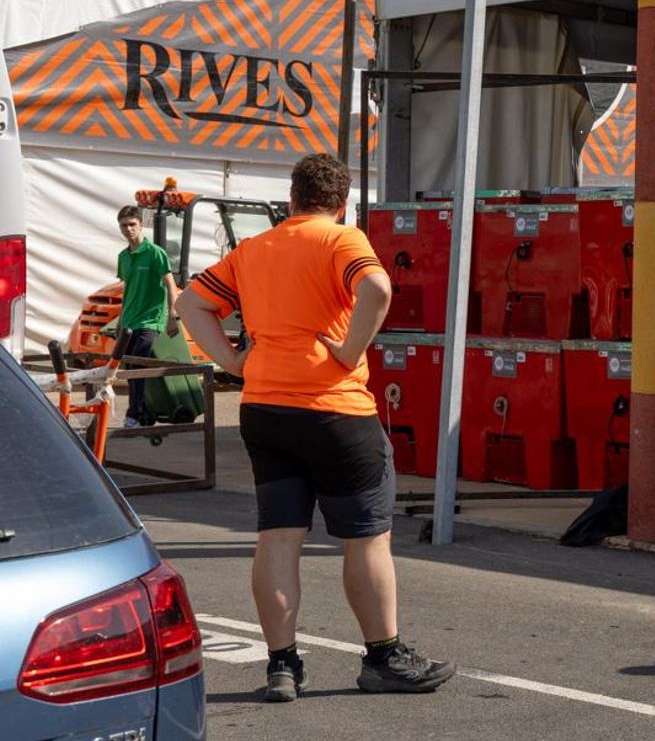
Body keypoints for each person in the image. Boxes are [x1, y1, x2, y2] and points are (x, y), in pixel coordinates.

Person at [175, 154, 453, 702]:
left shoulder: (254, 248)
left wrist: (233, 363)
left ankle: (282, 666)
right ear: (342, 202)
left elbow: (190, 302)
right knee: (367, 539)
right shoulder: (342, 240)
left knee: (278, 535)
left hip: (266, 410)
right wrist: (350, 351)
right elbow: (377, 289)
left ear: (291, 198)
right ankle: (383, 657)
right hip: (335, 411)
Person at [115, 205, 179, 427]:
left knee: (137, 366)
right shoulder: (123, 257)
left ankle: (134, 413)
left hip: (151, 319)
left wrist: (172, 315)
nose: (128, 229)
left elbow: (171, 284)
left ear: (141, 225)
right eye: (124, 226)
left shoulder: (155, 253)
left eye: (132, 224)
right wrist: (120, 319)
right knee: (128, 366)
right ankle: (144, 414)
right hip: (130, 319)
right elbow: (127, 289)